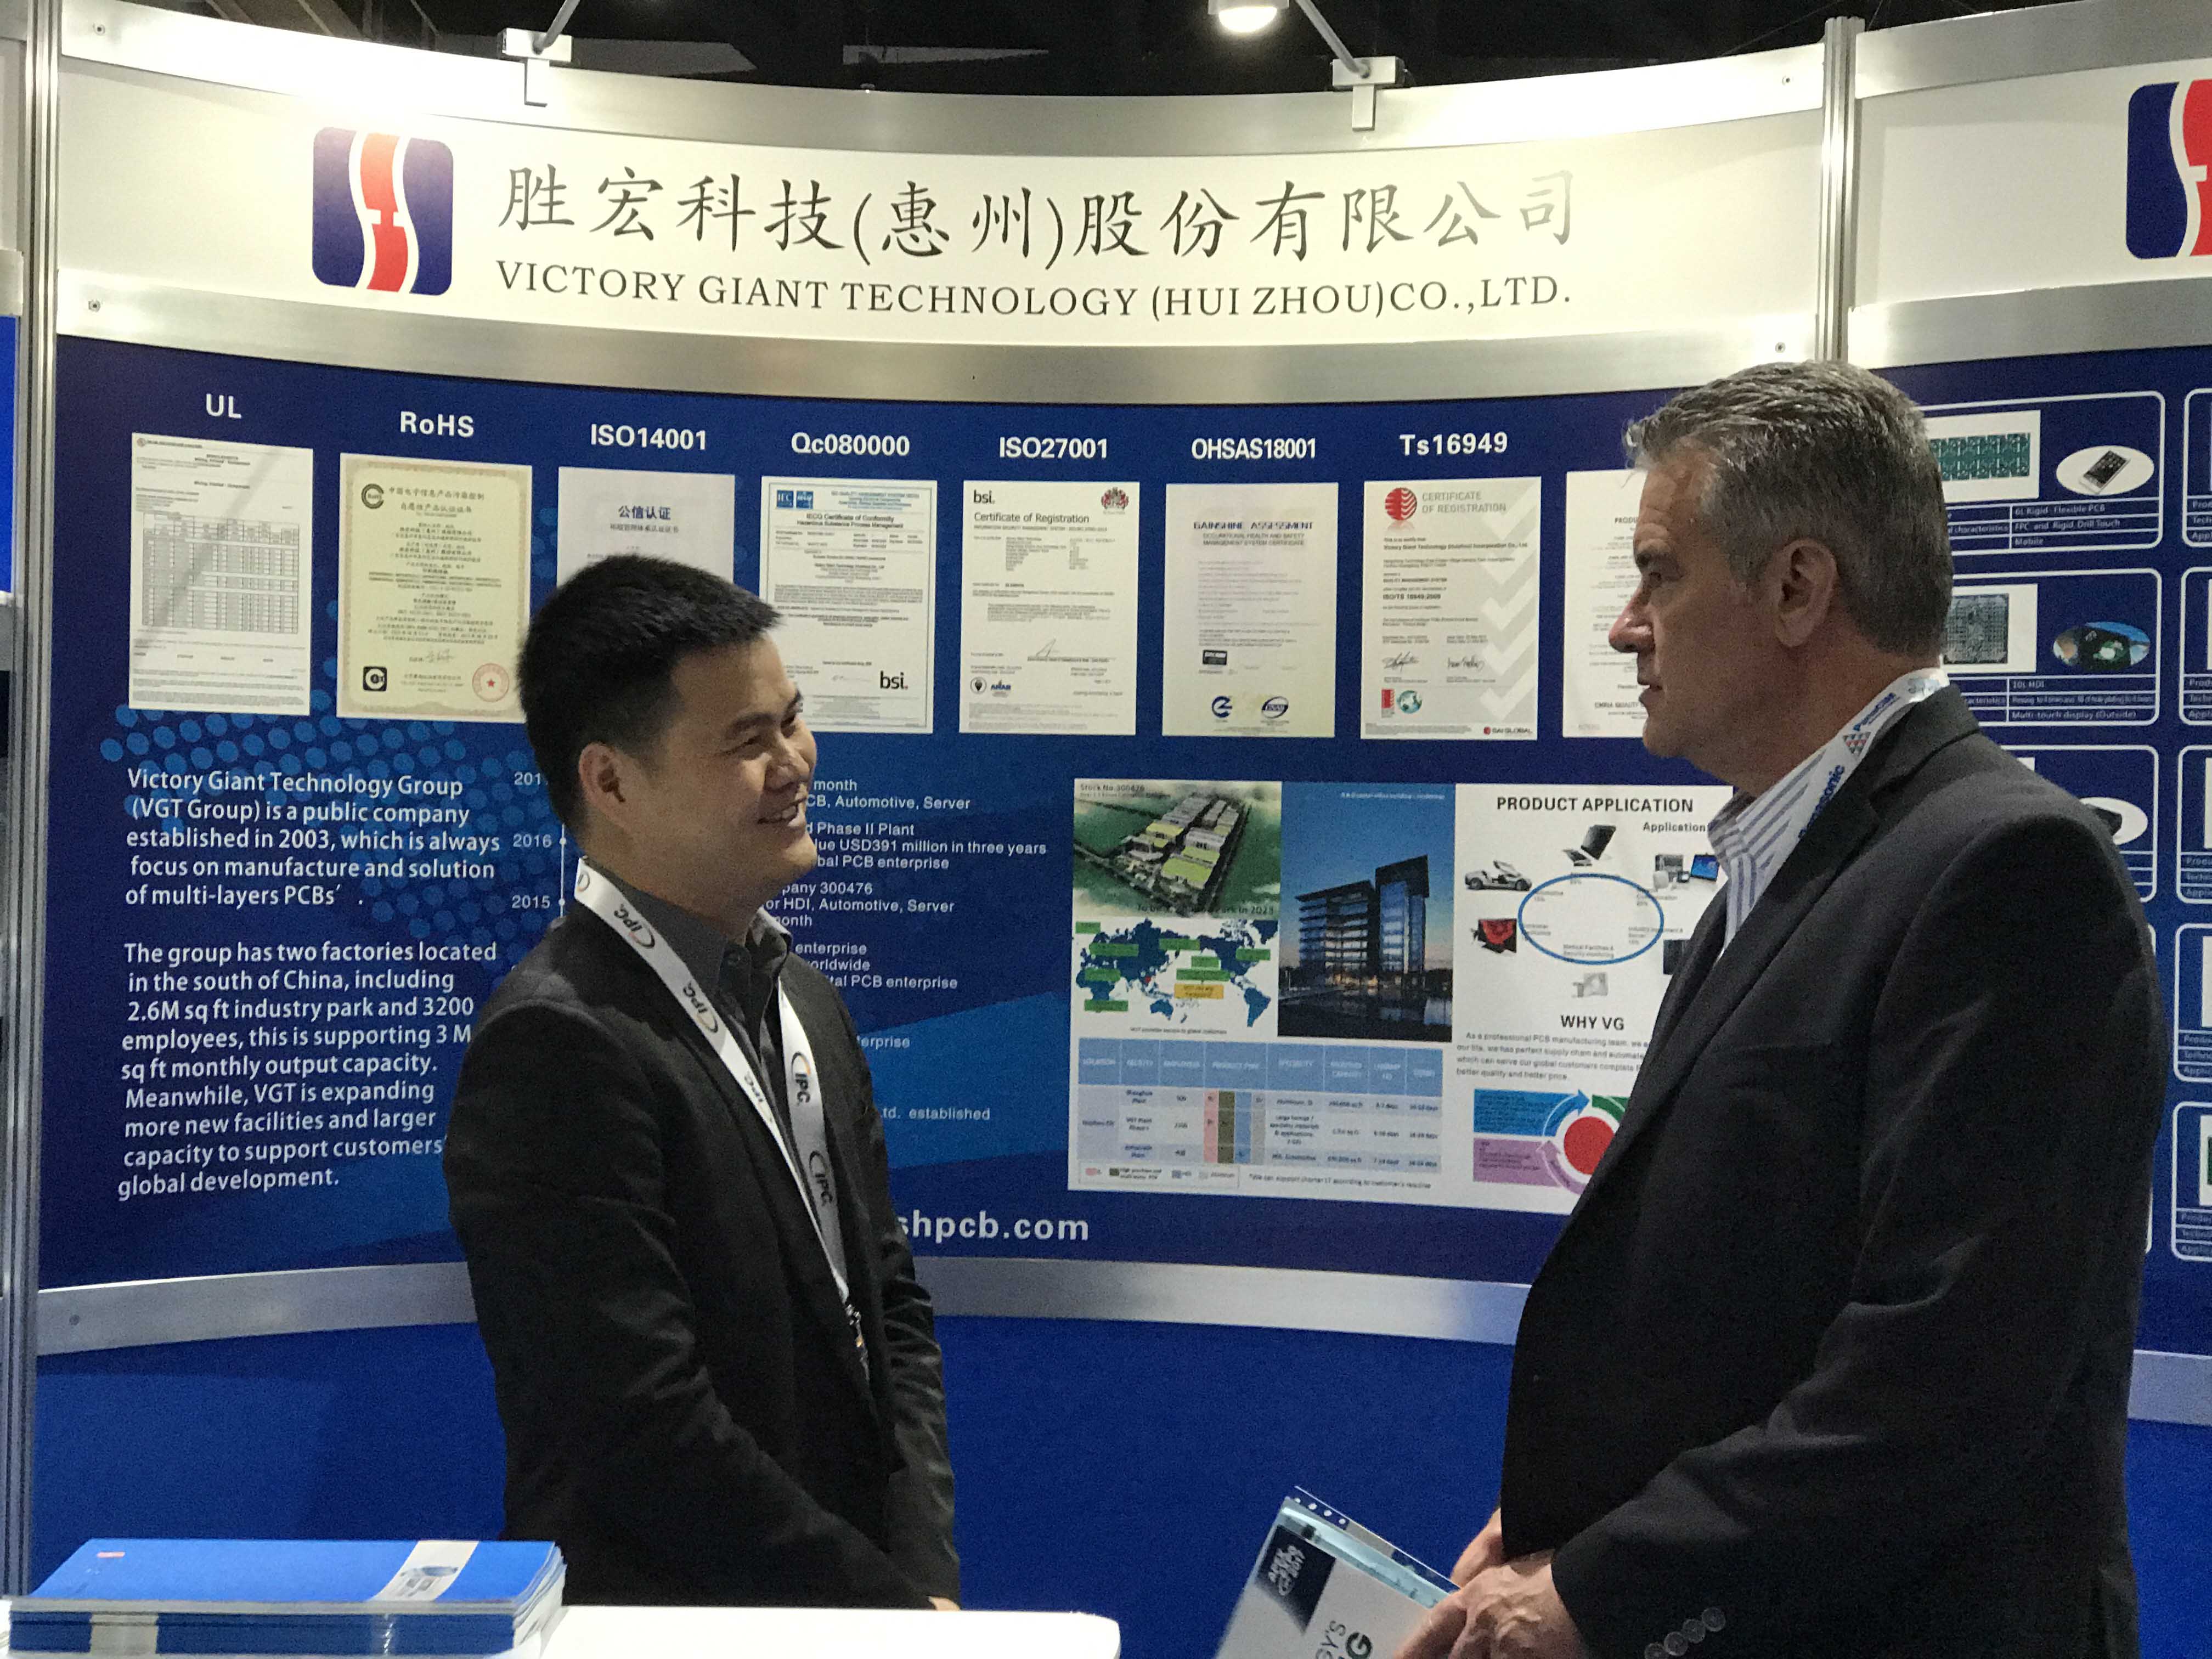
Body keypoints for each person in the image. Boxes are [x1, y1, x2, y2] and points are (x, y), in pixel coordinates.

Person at [1403, 362, 2162, 1659]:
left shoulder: (2007, 870)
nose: (1626, 627)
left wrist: (1604, 1590)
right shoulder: (1796, 861)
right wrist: (1578, 1534)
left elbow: (1943, 1375)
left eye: (1659, 575)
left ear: (1799, 588)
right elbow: (1745, 1301)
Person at [444, 554, 958, 1609]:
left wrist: (921, 1573)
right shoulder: (557, 1043)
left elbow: (888, 1305)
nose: (794, 763)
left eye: (792, 720)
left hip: (852, 1604)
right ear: (611, 783)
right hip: (674, 1615)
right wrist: (889, 1614)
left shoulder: (803, 998)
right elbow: (639, 1426)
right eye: (746, 741)